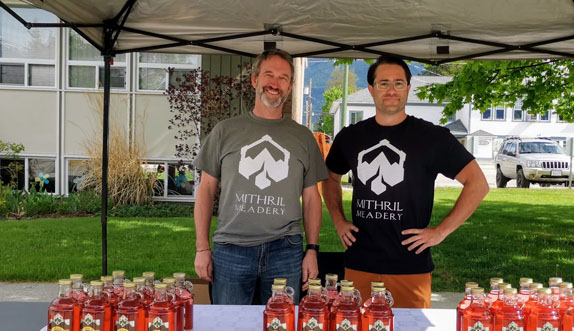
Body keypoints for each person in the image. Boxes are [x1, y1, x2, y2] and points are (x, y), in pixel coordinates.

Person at [322, 55, 489, 308]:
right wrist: (338, 220)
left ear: (409, 88)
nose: (391, 90)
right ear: (371, 89)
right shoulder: (350, 137)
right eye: (383, 83)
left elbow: (478, 183)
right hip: (359, 261)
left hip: (410, 265)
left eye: (399, 83)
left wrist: (441, 232)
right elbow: (330, 177)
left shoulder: (432, 137)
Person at [193, 49, 328, 305]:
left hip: (285, 250)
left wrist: (312, 250)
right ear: (254, 79)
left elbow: (312, 198)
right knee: (230, 330)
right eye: (269, 75)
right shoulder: (225, 131)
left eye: (283, 78)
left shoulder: (303, 138)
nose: (275, 84)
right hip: (231, 248)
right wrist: (202, 248)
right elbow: (206, 190)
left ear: (290, 87)